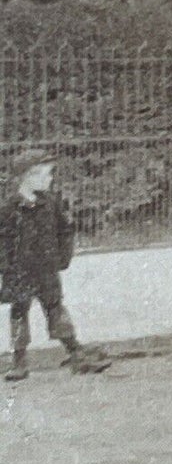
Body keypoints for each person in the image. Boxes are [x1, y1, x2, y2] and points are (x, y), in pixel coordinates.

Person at [1, 148, 109, 381]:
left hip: (46, 270)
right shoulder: (8, 208)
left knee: (56, 310)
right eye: (46, 174)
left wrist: (62, 257)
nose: (50, 179)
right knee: (19, 314)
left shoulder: (50, 203)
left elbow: (65, 229)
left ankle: (76, 355)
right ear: (29, 176)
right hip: (19, 272)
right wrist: (5, 266)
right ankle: (19, 362)